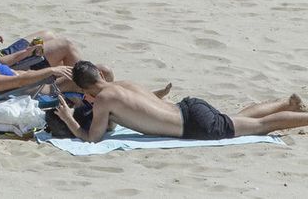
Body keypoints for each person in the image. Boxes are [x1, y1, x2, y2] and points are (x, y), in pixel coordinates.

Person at [58, 62, 308, 143]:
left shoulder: (103, 100)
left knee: (262, 126)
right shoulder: (124, 85)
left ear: (84, 89)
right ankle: (287, 104)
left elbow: (93, 138)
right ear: (100, 75)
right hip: (188, 107)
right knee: (238, 120)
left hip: (191, 124)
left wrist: (69, 118)